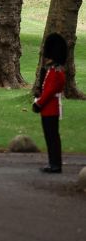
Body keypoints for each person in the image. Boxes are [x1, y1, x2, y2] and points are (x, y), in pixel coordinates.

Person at [33, 33, 67, 173]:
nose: (45, 58)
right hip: (48, 108)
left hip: (50, 108)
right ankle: (52, 162)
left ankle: (55, 164)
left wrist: (39, 103)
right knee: (50, 136)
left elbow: (49, 92)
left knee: (52, 137)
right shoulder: (52, 71)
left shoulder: (56, 73)